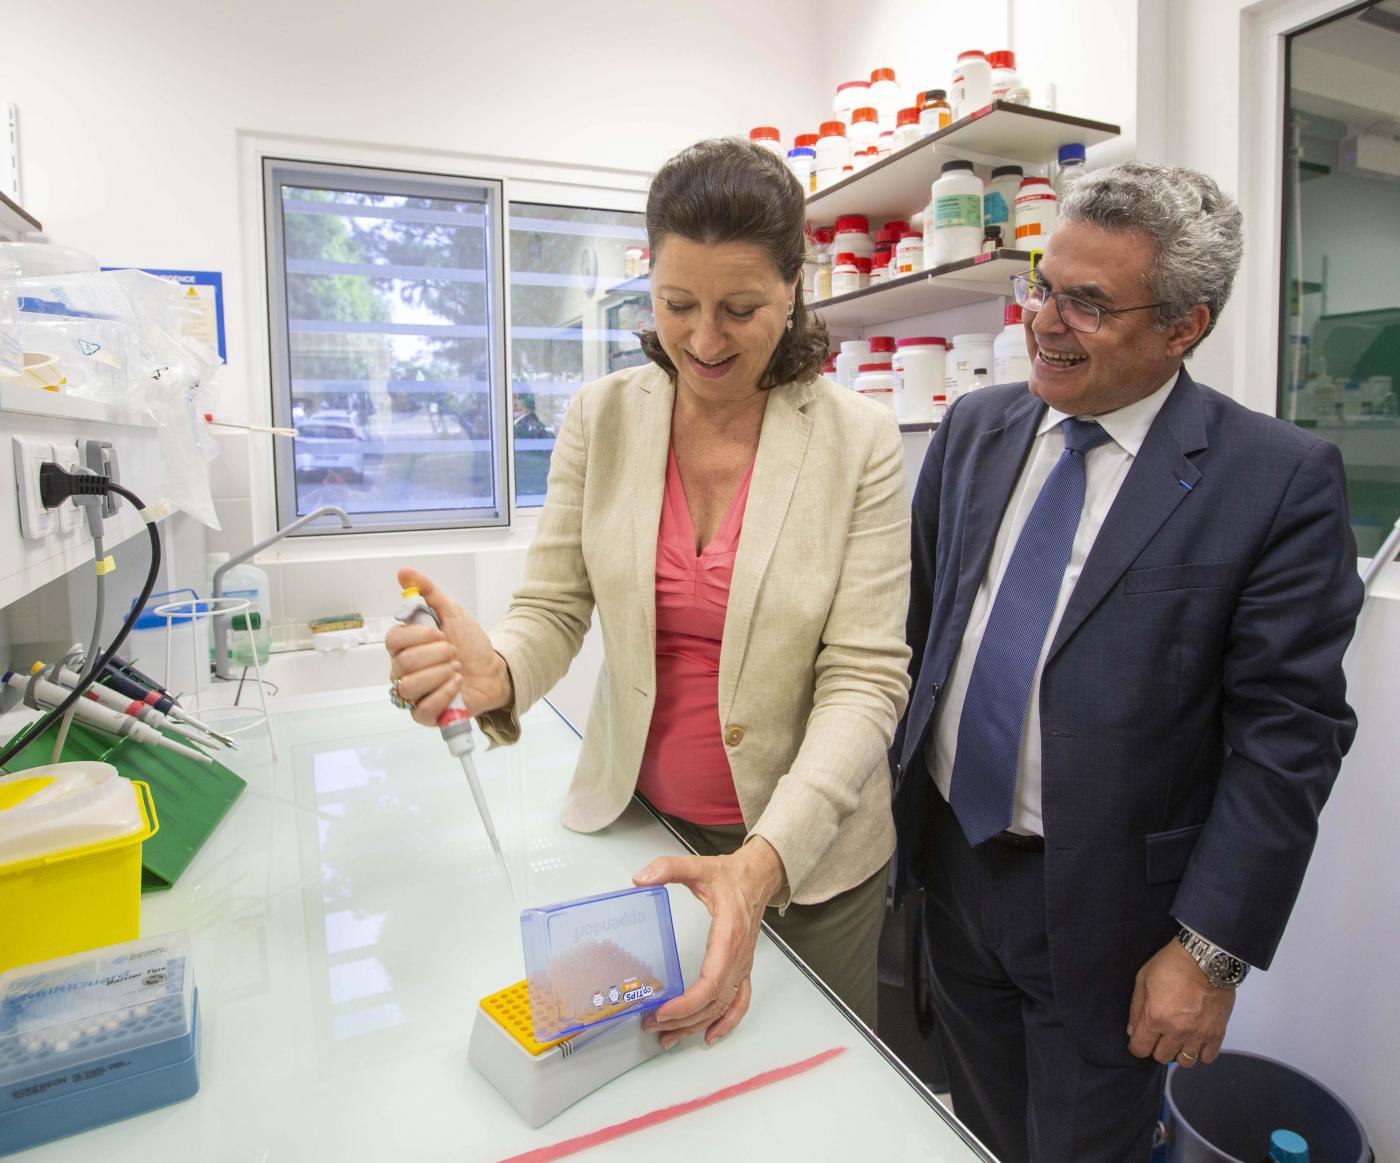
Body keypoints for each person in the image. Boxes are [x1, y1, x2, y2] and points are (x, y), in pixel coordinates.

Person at [386, 138, 911, 1043]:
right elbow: (553, 607)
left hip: (812, 862)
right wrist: (496, 672)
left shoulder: (859, 441)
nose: (704, 340)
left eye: (740, 309)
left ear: (795, 285)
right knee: (654, 1075)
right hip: (642, 834)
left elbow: (866, 679)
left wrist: (763, 862)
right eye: (677, 304)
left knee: (808, 1096)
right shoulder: (604, 416)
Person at [891, 161, 1363, 1162]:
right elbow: (924, 633)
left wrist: (1207, 952)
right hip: (951, 867)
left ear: (1181, 326)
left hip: (1106, 917)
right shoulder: (976, 428)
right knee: (976, 1129)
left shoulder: (1272, 481)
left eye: (1087, 304)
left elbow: (1288, 736)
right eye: (1041, 285)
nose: (1043, 323)